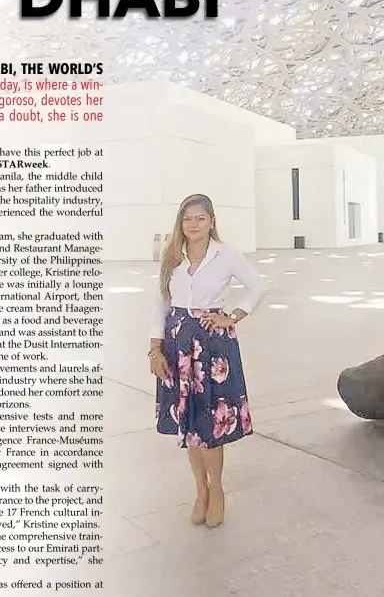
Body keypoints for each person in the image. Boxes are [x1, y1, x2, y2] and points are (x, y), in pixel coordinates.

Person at [148, 193, 266, 528]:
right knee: (189, 425)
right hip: (177, 345)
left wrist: (234, 316)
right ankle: (200, 490)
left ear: (211, 221)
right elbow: (160, 304)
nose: (194, 224)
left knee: (210, 424)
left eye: (200, 218)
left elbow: (257, 287)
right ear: (180, 223)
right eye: (187, 219)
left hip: (213, 347)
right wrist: (154, 349)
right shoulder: (172, 257)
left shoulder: (226, 255)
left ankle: (218, 491)